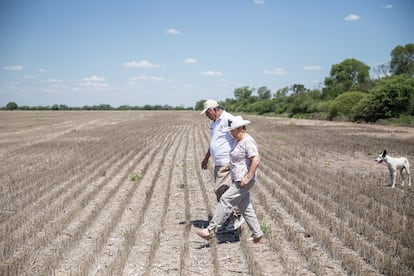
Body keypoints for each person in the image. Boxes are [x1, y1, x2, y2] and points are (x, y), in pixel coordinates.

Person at [197, 116, 264, 243]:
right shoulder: (237, 140)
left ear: (240, 129)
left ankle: (210, 229)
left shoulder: (247, 141)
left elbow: (256, 159)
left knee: (225, 200)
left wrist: (248, 177)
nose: (230, 133)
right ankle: (258, 235)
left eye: (232, 130)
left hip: (243, 181)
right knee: (245, 207)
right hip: (237, 179)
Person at [200, 100, 244, 230]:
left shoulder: (229, 119)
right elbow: (214, 141)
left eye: (207, 112)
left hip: (227, 161)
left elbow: (240, 137)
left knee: (221, 190)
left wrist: (237, 157)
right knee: (222, 191)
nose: (206, 115)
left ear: (214, 109)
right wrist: (206, 157)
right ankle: (230, 219)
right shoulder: (213, 122)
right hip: (218, 162)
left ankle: (236, 215)